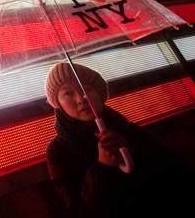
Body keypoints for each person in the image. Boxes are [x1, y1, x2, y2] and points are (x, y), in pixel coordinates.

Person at [44, 62, 192, 217]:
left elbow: (175, 172)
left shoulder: (126, 128)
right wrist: (102, 169)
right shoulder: (58, 151)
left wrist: (132, 151)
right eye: (67, 93)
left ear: (100, 94)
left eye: (86, 88)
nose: (81, 98)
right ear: (58, 104)